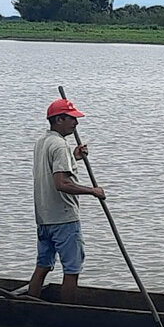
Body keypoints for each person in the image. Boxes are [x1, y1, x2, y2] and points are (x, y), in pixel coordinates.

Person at [28, 97, 106, 304]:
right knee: (72, 268)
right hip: (64, 219)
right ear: (58, 119)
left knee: (43, 265)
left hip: (44, 218)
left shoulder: (42, 142)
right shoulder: (59, 145)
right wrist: (92, 191)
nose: (76, 123)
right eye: (71, 119)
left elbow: (54, 168)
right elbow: (61, 183)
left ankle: (29, 305)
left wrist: (74, 157)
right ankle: (67, 311)